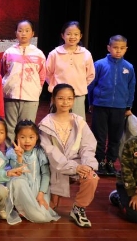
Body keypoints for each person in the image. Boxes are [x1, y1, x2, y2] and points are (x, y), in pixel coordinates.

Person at [38, 83, 99, 228]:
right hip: (54, 167)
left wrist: (87, 165)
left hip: (77, 163)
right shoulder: (46, 124)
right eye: (61, 98)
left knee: (91, 176)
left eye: (69, 98)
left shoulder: (79, 122)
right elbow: (50, 152)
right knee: (48, 209)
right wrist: (74, 167)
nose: (65, 102)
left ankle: (79, 208)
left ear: (73, 100)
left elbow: (88, 146)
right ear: (53, 99)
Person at [88, 34, 136, 177]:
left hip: (119, 107)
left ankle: (110, 162)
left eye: (122, 48)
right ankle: (99, 162)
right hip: (101, 105)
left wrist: (128, 106)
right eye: (115, 47)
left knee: (115, 137)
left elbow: (131, 87)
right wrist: (91, 102)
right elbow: (91, 85)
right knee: (99, 136)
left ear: (126, 49)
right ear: (109, 48)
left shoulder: (129, 67)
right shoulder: (99, 64)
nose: (118, 50)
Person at [5, 120, 60, 224]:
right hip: (20, 186)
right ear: (16, 137)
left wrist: (41, 194)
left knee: (42, 216)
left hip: (37, 188)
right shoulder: (12, 152)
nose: (27, 141)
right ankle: (20, 207)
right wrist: (19, 157)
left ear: (37, 137)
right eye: (22, 137)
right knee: (17, 181)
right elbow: (16, 173)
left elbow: (45, 174)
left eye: (31, 137)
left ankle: (26, 209)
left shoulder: (39, 152)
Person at [0, 19, 46, 145]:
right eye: (20, 31)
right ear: (16, 33)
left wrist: (36, 90)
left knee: (26, 129)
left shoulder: (39, 54)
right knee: (9, 128)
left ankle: (25, 155)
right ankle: (10, 154)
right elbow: (4, 72)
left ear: (32, 33)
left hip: (30, 97)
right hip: (11, 96)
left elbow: (42, 76)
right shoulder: (9, 52)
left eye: (27, 31)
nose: (23, 33)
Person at [44, 21, 95, 119]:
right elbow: (47, 73)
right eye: (69, 34)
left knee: (77, 123)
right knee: (57, 121)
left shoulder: (86, 54)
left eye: (76, 34)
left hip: (78, 95)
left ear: (80, 36)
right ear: (62, 35)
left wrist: (80, 85)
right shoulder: (54, 53)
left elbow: (90, 74)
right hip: (59, 95)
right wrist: (56, 88)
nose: (72, 37)